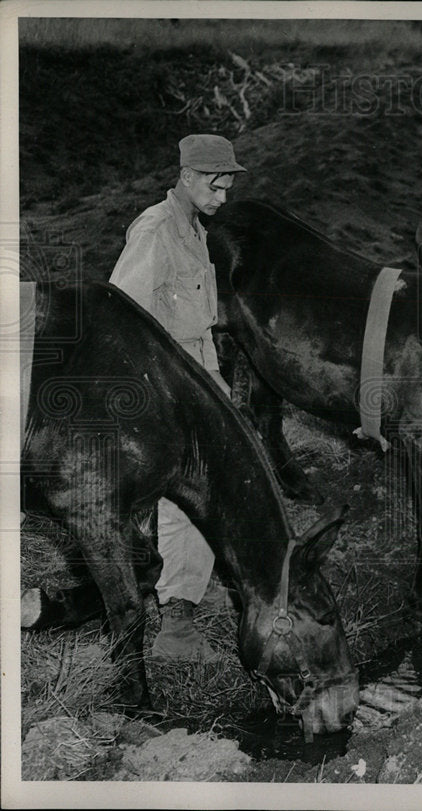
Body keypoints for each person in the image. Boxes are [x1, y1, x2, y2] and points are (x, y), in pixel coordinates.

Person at [109, 134, 245, 660]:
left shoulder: (193, 229)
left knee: (205, 489)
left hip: (198, 371)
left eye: (227, 187)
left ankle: (179, 601)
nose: (223, 197)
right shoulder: (156, 230)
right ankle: (176, 628)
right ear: (187, 177)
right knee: (188, 495)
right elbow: (123, 313)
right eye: (215, 186)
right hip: (168, 381)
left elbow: (197, 320)